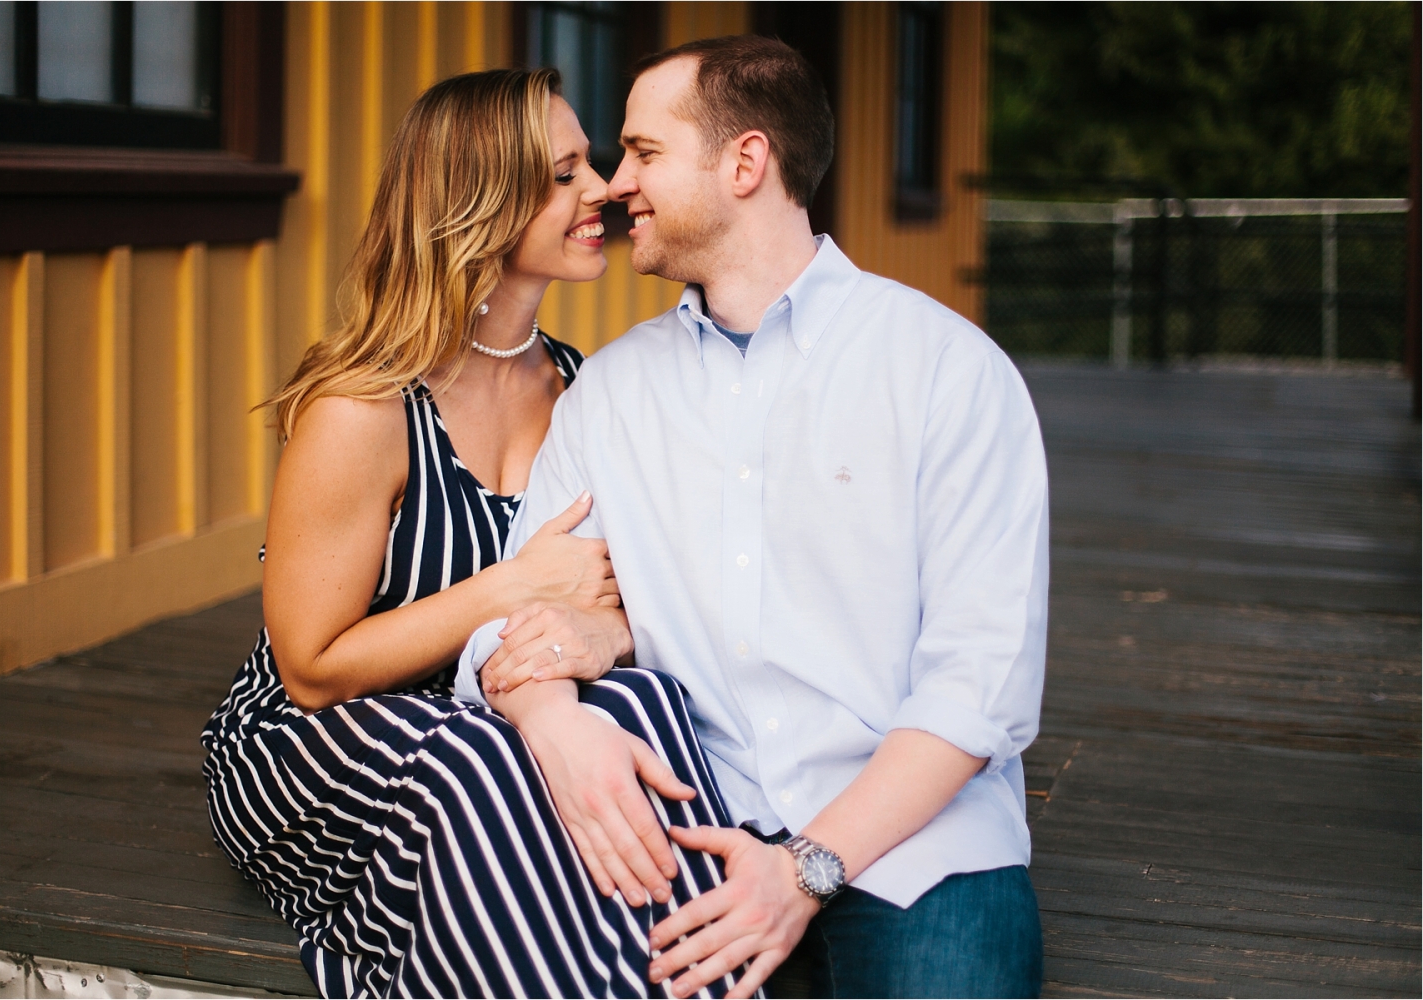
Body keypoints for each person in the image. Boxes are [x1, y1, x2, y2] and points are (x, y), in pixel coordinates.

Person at [458, 36, 1048, 999]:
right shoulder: (608, 395)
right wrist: (556, 724)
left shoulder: (947, 372)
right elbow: (506, 621)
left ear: (745, 161)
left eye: (644, 152)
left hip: (912, 846)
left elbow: (979, 689)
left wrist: (806, 869)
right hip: (678, 831)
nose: (614, 184)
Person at [201, 69, 749, 999]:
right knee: (488, 760)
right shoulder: (364, 407)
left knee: (644, 709)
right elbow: (310, 667)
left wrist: (598, 636)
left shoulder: (587, 392)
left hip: (493, 709)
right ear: (480, 204)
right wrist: (508, 590)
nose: (604, 190)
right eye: (563, 174)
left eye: (594, 164)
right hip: (316, 743)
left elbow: (613, 602)